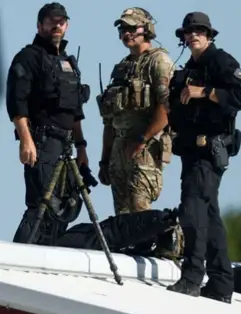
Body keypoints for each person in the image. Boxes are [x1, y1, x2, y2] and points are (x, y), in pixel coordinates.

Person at [166, 12, 241, 302]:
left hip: (209, 151)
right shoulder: (189, 67)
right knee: (210, 215)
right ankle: (220, 283)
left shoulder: (220, 61)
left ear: (210, 35)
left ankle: (192, 277)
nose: (193, 36)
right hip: (191, 151)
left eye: (199, 31)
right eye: (189, 32)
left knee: (192, 210)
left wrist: (205, 91)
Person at [96, 8, 180, 257]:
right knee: (123, 220)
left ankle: (167, 245)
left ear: (147, 29)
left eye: (132, 28)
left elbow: (166, 108)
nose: (126, 33)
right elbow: (109, 121)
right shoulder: (121, 67)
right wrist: (105, 158)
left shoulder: (159, 61)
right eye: (122, 29)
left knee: (139, 208)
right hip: (119, 149)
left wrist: (142, 140)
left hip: (145, 148)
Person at [5, 3, 91, 245]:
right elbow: (17, 103)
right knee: (40, 204)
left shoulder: (68, 63)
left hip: (66, 146)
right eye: (52, 21)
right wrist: (26, 140)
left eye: (61, 21)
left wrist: (81, 147)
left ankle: (46, 253)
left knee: (63, 206)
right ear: (40, 24)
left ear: (67, 25)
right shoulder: (28, 57)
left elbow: (75, 111)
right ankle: (18, 259)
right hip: (41, 142)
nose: (57, 25)